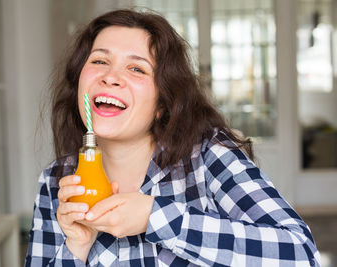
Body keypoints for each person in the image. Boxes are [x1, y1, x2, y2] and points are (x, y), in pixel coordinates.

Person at [25, 9, 321, 267]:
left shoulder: (208, 158)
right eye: (100, 61)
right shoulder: (56, 182)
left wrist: (154, 217)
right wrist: (76, 245)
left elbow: (300, 254)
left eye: (136, 68)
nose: (110, 76)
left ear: (162, 104)